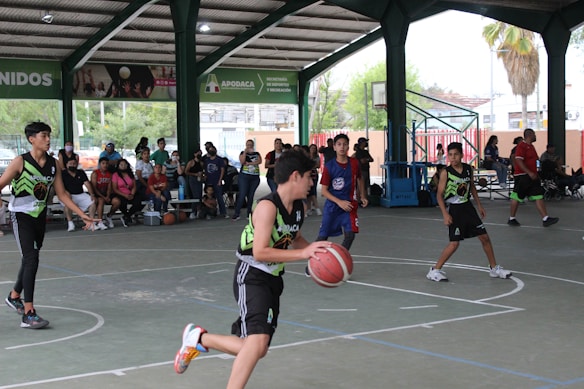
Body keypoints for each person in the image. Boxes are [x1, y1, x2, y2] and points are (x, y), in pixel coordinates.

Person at [174, 150, 331, 389]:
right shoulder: (267, 207)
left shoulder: (298, 207)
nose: (313, 182)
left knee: (258, 348)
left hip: (273, 279)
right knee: (256, 344)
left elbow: (294, 236)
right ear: (295, 176)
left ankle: (198, 338)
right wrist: (303, 254)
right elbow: (260, 251)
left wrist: (315, 254)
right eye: (310, 176)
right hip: (251, 275)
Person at [1, 122, 95, 329]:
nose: (47, 139)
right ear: (31, 139)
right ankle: (29, 313)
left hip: (39, 216)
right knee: (31, 259)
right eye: (43, 135)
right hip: (21, 216)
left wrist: (82, 215)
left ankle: (14, 295)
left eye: (49, 135)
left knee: (30, 258)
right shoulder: (20, 162)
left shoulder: (54, 164)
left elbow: (62, 194)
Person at [426, 142, 512, 282]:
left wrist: (479, 205)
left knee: (484, 237)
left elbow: (471, 186)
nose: (453, 158)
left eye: (456, 155)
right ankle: (435, 270)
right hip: (454, 210)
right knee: (454, 244)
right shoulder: (445, 173)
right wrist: (445, 214)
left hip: (468, 208)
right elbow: (439, 195)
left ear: (462, 155)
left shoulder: (468, 169)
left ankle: (494, 268)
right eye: (450, 155)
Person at [315, 133, 368, 251]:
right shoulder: (329, 166)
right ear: (334, 147)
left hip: (349, 205)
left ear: (348, 147)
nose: (342, 147)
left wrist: (363, 195)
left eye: (344, 144)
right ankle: (312, 265)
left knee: (350, 235)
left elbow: (360, 178)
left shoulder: (354, 163)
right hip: (333, 206)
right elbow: (324, 191)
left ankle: (340, 258)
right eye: (339, 144)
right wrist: (339, 202)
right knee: (322, 237)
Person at [508, 128, 559, 227]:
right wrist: (528, 172)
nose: (536, 136)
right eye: (534, 134)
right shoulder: (521, 146)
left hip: (532, 176)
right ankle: (512, 218)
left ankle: (545, 218)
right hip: (522, 176)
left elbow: (535, 160)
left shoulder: (531, 147)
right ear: (529, 135)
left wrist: (536, 172)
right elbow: (518, 160)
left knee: (538, 195)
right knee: (517, 196)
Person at [61, 159, 101, 231]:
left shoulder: (81, 172)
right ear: (66, 165)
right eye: (70, 163)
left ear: (77, 165)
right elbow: (60, 186)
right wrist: (66, 194)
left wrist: (92, 194)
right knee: (67, 204)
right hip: (67, 195)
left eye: (74, 163)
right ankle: (70, 223)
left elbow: (87, 184)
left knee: (92, 202)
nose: (72, 165)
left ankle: (91, 223)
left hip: (80, 194)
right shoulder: (62, 173)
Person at [232, 140, 262, 221]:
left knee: (250, 196)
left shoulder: (257, 154)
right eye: (248, 145)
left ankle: (249, 214)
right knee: (242, 194)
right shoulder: (242, 153)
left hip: (254, 177)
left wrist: (250, 164)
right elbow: (242, 161)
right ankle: (237, 213)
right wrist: (245, 152)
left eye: (251, 145)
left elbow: (259, 161)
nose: (249, 146)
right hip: (244, 176)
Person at [91, 157, 121, 229]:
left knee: (117, 202)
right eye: (103, 163)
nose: (105, 165)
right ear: (99, 164)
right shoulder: (95, 173)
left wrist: (107, 196)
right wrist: (104, 197)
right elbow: (94, 188)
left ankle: (109, 216)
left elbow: (109, 187)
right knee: (101, 201)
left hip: (106, 194)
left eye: (107, 163)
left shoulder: (110, 174)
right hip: (97, 194)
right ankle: (100, 221)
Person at [111, 159, 142, 227]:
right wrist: (125, 195)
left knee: (138, 202)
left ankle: (127, 216)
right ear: (118, 166)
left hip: (130, 193)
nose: (123, 166)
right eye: (121, 165)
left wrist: (132, 194)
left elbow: (134, 186)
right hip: (120, 193)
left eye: (125, 164)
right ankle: (127, 216)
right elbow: (115, 189)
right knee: (122, 202)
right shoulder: (115, 175)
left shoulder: (130, 174)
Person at [204, 145, 228, 218]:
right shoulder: (207, 160)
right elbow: (205, 170)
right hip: (209, 181)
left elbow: (222, 170)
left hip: (217, 181)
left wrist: (220, 180)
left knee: (219, 197)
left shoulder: (219, 159)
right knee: (209, 196)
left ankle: (223, 212)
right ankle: (210, 212)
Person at [185, 149, 205, 219]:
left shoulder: (201, 163)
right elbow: (186, 172)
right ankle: (193, 211)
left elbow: (202, 171)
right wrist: (194, 174)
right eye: (198, 153)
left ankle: (198, 211)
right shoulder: (191, 162)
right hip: (192, 179)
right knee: (195, 195)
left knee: (199, 195)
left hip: (199, 179)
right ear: (195, 154)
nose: (199, 155)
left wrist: (202, 176)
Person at [306, 143, 322, 216]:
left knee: (313, 190)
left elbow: (318, 165)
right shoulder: (306, 157)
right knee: (309, 192)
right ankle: (309, 208)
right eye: (312, 148)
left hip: (314, 174)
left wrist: (312, 165)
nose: (313, 150)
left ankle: (316, 207)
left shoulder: (317, 157)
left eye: (314, 148)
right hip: (307, 174)